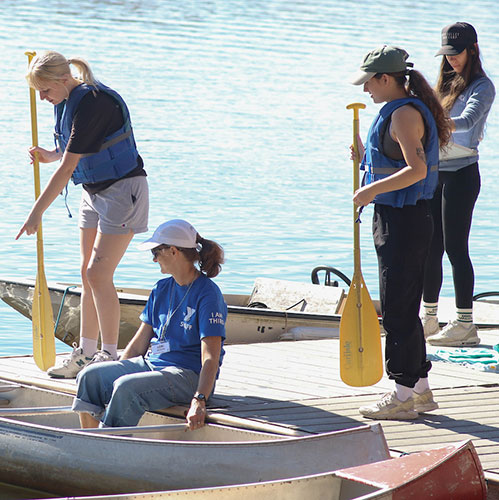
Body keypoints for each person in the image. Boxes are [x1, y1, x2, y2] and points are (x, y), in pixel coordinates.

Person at [17, 51, 149, 378]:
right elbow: (71, 149)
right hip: (92, 192)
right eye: (39, 94)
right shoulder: (67, 101)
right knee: (86, 273)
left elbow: (68, 168)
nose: (44, 98)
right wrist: (48, 154)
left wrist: (36, 214)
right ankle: (85, 354)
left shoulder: (94, 102)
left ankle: (109, 356)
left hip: (122, 191)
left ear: (63, 80)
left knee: (98, 275)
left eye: (45, 91)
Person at [349, 45, 451, 419]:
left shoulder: (404, 114)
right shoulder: (395, 113)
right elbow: (397, 164)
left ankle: (402, 396)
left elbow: (417, 170)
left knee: (397, 311)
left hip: (405, 221)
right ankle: (421, 391)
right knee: (402, 306)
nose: (366, 91)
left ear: (386, 78)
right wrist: (366, 159)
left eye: (369, 83)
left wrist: (369, 190)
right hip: (397, 218)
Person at [72, 219, 227, 429]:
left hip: (187, 375)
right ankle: (90, 441)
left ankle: (107, 446)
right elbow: (137, 346)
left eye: (155, 252)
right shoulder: (161, 288)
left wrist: (199, 400)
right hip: (152, 365)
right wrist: (118, 368)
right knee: (89, 376)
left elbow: (210, 357)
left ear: (173, 251)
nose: (154, 260)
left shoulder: (208, 294)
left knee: (126, 388)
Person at [423, 23, 495, 347]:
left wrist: (434, 121)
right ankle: (428, 318)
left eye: (457, 53)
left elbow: (468, 120)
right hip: (436, 172)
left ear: (473, 49)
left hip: (463, 175)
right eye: (447, 54)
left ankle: (465, 323)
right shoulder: (444, 82)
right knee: (430, 247)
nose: (451, 60)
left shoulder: (483, 86)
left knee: (455, 248)